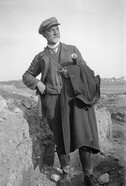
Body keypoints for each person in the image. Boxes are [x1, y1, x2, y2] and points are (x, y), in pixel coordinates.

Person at [22, 17, 101, 186]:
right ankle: (67, 173)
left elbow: (86, 70)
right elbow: (26, 75)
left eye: (57, 28)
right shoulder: (41, 57)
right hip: (53, 102)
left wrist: (71, 72)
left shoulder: (72, 49)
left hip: (74, 101)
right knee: (60, 138)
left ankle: (88, 175)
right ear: (44, 34)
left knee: (83, 136)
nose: (56, 31)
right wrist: (38, 83)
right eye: (51, 30)